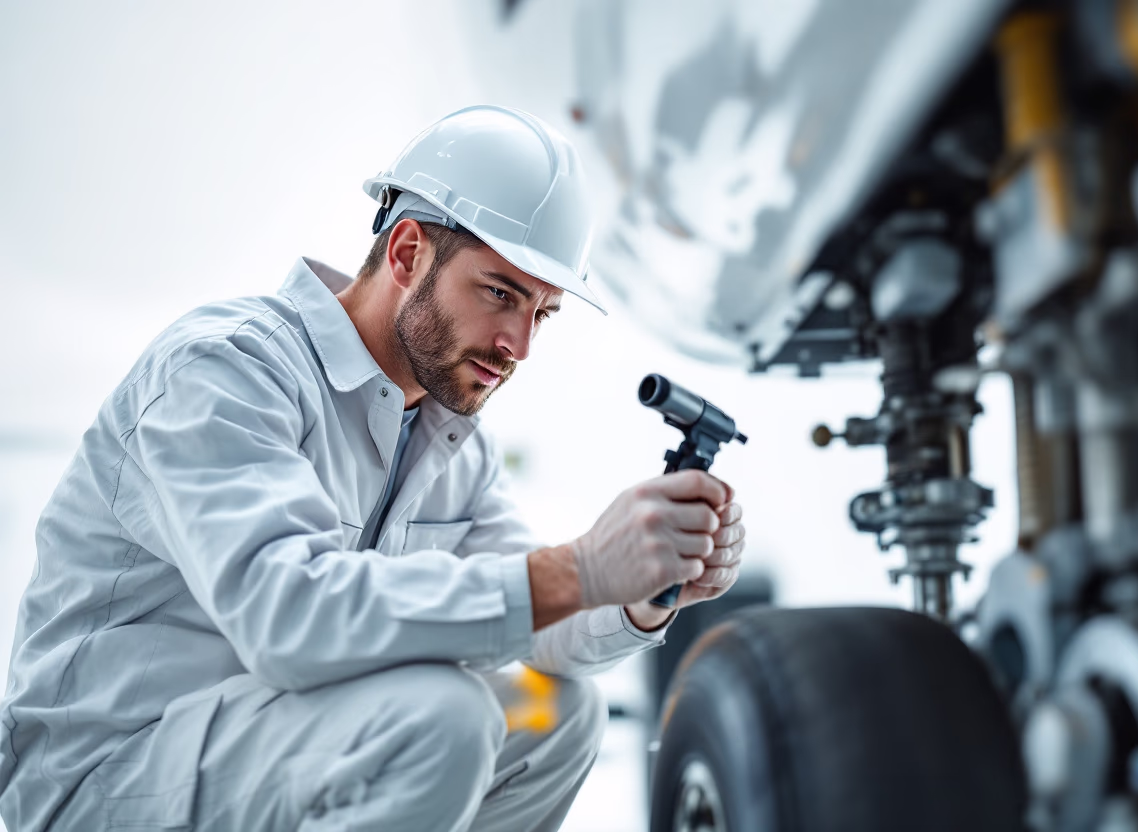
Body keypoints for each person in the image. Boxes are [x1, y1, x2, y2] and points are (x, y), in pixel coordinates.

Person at [0, 105, 746, 831]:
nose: (519, 343)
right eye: (500, 293)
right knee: (442, 719)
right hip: (107, 773)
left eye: (543, 312)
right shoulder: (227, 369)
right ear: (407, 253)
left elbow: (536, 623)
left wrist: (643, 590)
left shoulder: (449, 439)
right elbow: (288, 616)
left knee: (554, 710)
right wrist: (578, 569)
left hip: (272, 746)